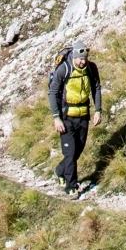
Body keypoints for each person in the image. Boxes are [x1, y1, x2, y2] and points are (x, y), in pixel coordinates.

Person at [48, 41, 102, 196]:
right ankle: (71, 187)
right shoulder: (64, 69)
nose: (82, 61)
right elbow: (52, 92)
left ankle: (60, 171)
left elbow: (96, 87)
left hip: (83, 115)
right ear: (74, 57)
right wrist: (56, 117)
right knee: (70, 153)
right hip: (66, 117)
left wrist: (98, 110)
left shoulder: (91, 68)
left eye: (84, 58)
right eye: (80, 59)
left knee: (78, 150)